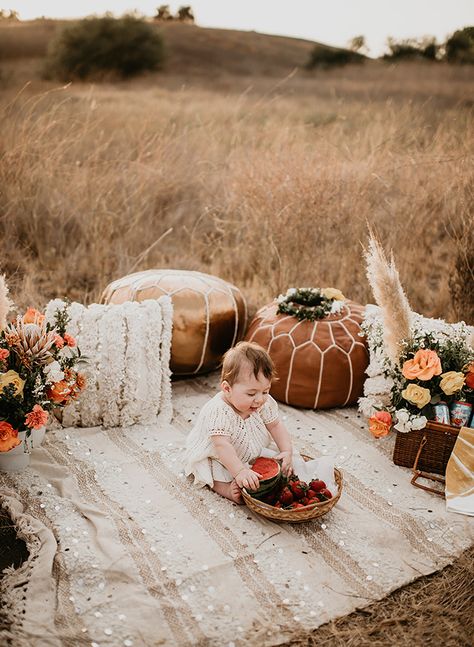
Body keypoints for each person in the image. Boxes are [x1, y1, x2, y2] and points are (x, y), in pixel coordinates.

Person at [184, 341, 294, 503]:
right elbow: (222, 446)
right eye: (251, 394)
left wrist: (286, 450)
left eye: (265, 391)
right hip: (219, 454)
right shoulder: (219, 411)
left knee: (282, 462)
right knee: (210, 469)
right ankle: (224, 488)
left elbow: (275, 425)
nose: (259, 399)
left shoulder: (263, 402)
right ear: (227, 389)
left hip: (249, 446)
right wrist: (240, 471)